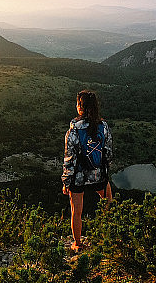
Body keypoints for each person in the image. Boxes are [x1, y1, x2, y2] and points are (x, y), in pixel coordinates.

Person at [62, 89, 113, 252]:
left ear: (80, 107)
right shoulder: (103, 126)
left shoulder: (74, 130)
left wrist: (66, 181)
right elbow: (108, 153)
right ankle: (107, 235)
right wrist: (103, 170)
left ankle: (77, 243)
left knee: (76, 211)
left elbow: (69, 158)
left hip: (78, 176)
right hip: (98, 174)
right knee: (108, 202)